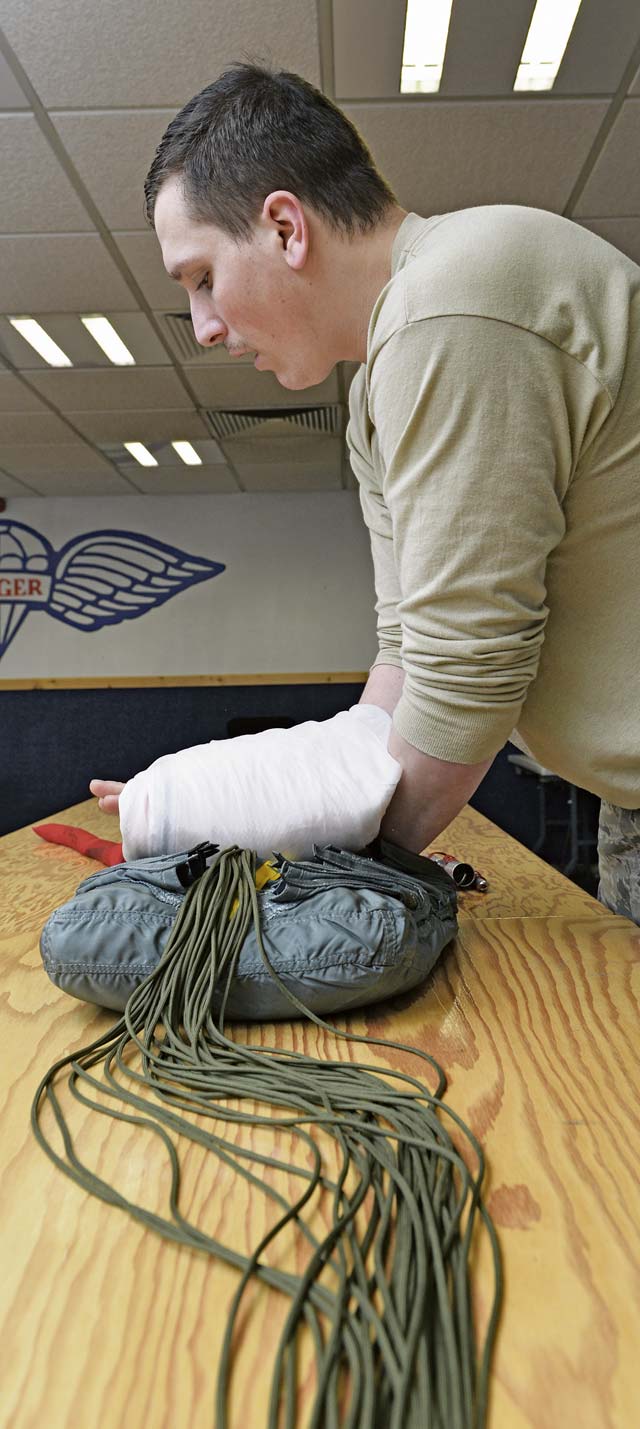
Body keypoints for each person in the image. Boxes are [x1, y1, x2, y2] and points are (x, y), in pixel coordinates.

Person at [91, 63, 640, 923]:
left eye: (201, 278)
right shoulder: (380, 386)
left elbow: (468, 678)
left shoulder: (454, 309)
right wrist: (209, 804)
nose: (202, 328)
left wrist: (320, 884)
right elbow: (408, 663)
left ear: (283, 227)